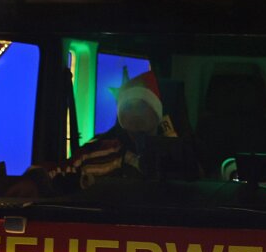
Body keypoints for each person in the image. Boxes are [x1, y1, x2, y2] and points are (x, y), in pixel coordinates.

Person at [54, 79, 189, 190]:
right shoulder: (93, 154)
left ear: (156, 113)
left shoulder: (180, 156)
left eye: (142, 106)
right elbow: (58, 173)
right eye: (129, 107)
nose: (135, 114)